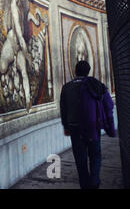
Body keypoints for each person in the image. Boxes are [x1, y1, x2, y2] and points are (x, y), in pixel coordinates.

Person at [60, 60, 116, 189]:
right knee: (95, 155)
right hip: (93, 126)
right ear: (88, 71)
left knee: (81, 159)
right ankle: (94, 181)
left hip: (74, 128)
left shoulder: (66, 87)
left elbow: (64, 109)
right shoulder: (96, 84)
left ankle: (85, 185)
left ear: (75, 71)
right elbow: (108, 104)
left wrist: (65, 126)